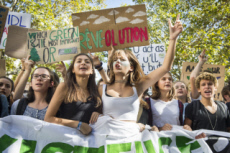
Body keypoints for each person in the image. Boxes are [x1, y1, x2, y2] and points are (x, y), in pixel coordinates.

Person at [93, 14, 183, 132]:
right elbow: (95, 114)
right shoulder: (101, 88)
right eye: (115, 60)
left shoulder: (139, 86)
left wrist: (173, 39)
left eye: (122, 59)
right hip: (107, 138)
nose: (117, 61)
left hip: (132, 139)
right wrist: (96, 113)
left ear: (131, 67)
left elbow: (166, 67)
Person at [44, 53, 102, 135]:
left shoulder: (97, 91)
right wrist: (78, 125)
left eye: (87, 62)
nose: (83, 63)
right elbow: (48, 118)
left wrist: (99, 114)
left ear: (92, 70)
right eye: (79, 61)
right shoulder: (64, 87)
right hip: (64, 141)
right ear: (73, 70)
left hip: (87, 144)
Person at [11, 55, 56, 120]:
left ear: (51, 84)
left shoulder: (57, 107)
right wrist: (27, 70)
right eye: (36, 76)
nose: (39, 78)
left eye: (44, 76)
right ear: (31, 83)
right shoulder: (18, 105)